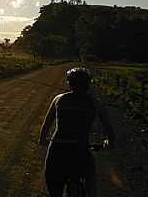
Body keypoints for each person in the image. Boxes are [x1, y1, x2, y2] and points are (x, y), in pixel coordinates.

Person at [38, 68, 115, 197]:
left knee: (53, 187)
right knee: (90, 182)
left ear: (69, 83)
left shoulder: (58, 99)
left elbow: (46, 125)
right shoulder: (95, 103)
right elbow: (109, 131)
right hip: (81, 149)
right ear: (88, 84)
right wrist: (107, 143)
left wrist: (43, 139)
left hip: (57, 148)